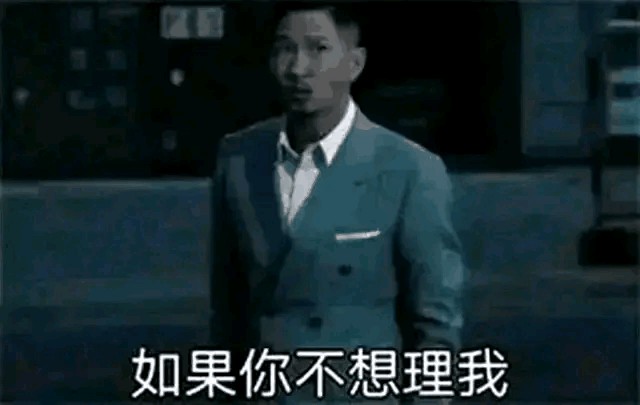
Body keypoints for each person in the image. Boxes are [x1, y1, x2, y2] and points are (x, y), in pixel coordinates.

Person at [210, 3, 464, 404]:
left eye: (318, 49)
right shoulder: (240, 157)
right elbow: (227, 311)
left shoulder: (408, 168)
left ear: (355, 63)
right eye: (285, 49)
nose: (298, 68)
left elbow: (435, 325)